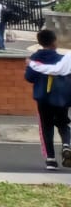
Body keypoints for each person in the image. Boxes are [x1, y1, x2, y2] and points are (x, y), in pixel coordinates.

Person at [26, 28, 71, 170]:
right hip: (61, 98)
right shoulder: (61, 59)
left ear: (40, 42)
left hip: (43, 98)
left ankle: (50, 159)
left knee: (46, 126)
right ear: (54, 42)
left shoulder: (34, 58)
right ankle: (66, 144)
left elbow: (29, 77)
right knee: (63, 123)